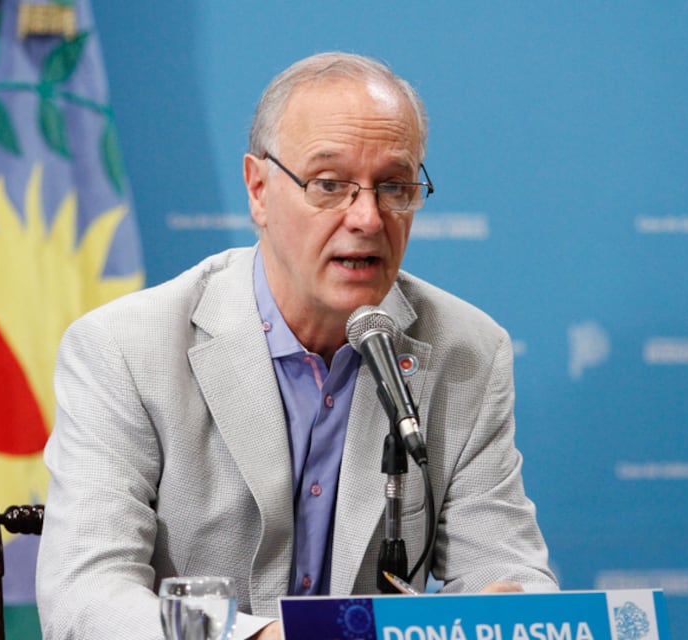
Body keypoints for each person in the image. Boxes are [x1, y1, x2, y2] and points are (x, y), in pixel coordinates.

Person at [36, 51, 557, 640]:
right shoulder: (124, 349)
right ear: (259, 189)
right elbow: (85, 597)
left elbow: (507, 570)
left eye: (394, 186)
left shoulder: (467, 352)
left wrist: (508, 610)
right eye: (329, 185)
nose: (368, 218)